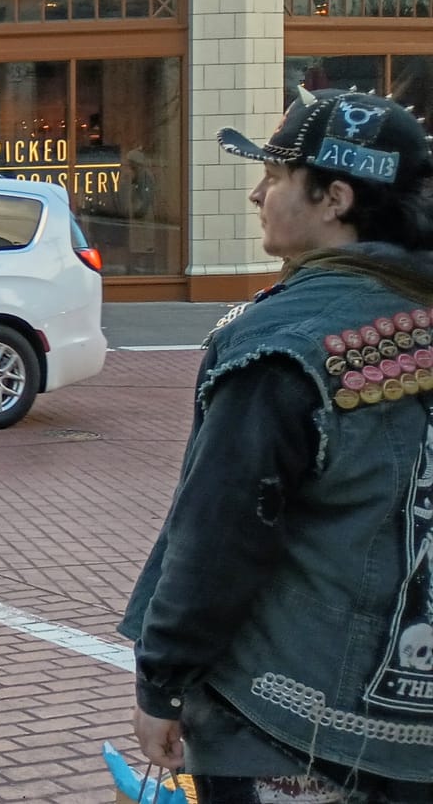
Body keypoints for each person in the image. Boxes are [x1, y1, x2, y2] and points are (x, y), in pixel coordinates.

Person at [120, 87, 433, 804]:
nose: (258, 192)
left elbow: (221, 532)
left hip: (285, 716)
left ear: (335, 198)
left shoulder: (281, 342)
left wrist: (162, 679)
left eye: (278, 175)